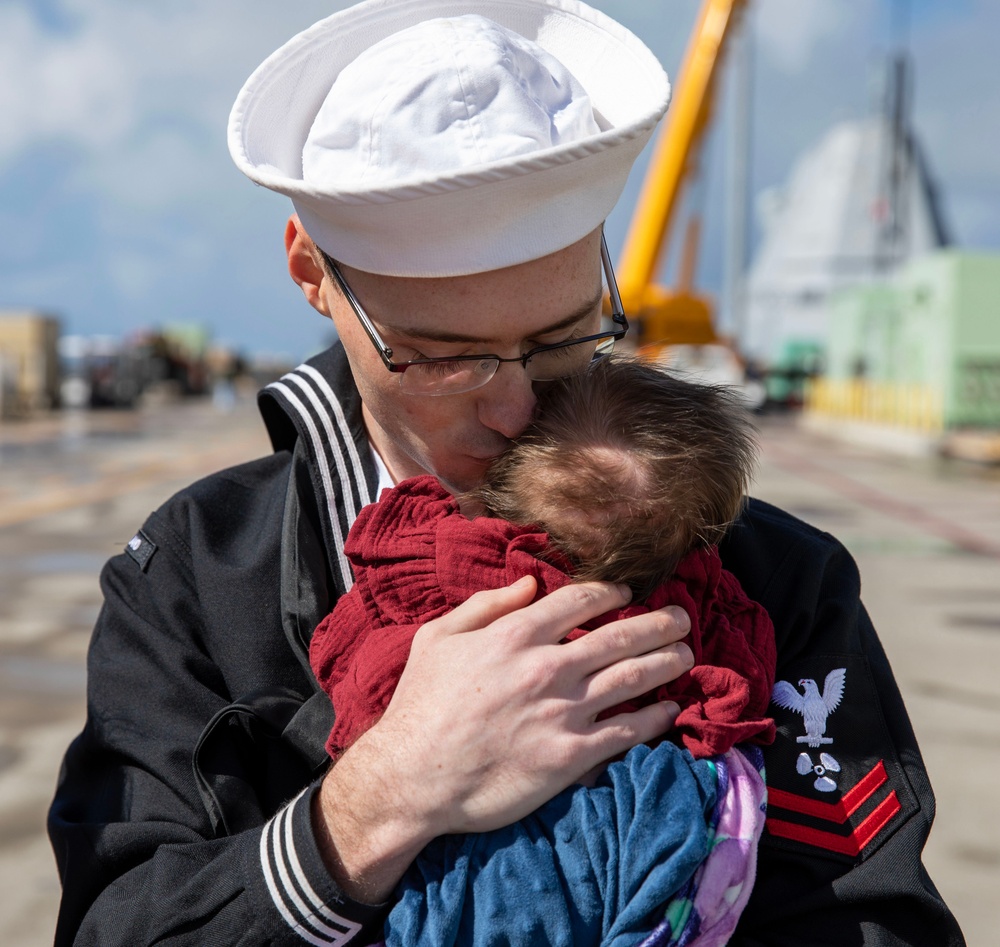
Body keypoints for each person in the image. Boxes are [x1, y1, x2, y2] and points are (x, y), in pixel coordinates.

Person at [48, 2, 965, 945]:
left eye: (564, 336)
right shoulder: (192, 576)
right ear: (311, 271)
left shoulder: (779, 577)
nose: (515, 408)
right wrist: (374, 803)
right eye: (445, 357)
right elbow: (117, 921)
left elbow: (876, 920)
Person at [310, 356, 775, 945]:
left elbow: (349, 658)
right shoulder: (689, 610)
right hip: (620, 838)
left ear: (494, 493)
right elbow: (740, 683)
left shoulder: (441, 564)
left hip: (458, 866)